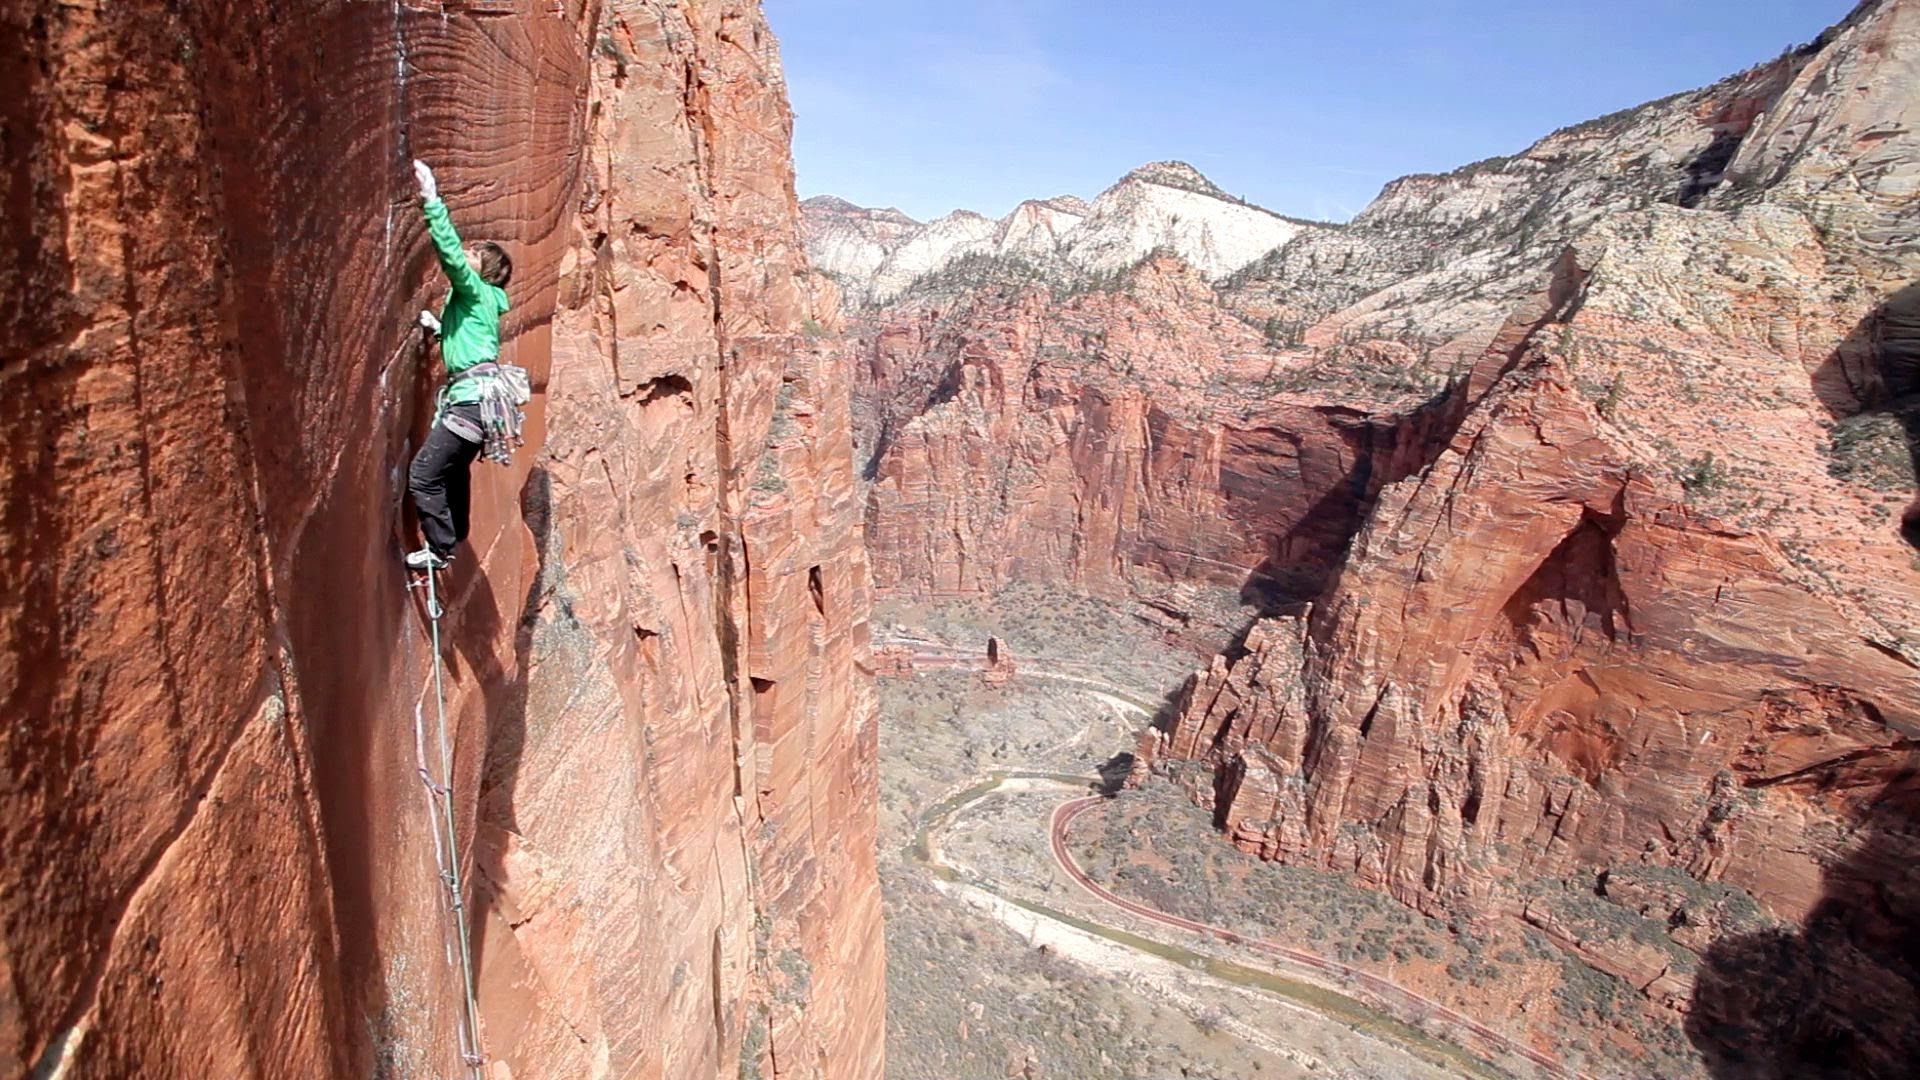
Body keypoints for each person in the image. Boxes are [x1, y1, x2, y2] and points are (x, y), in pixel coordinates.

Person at [405, 158, 513, 571]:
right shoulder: (481, 304)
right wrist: (439, 330)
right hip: (479, 403)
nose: (466, 256)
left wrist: (432, 201)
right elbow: (470, 343)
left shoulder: (475, 291)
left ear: (484, 271)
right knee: (452, 471)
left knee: (423, 476)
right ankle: (457, 533)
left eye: (474, 255)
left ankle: (440, 548)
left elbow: (450, 256)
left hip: (470, 403)